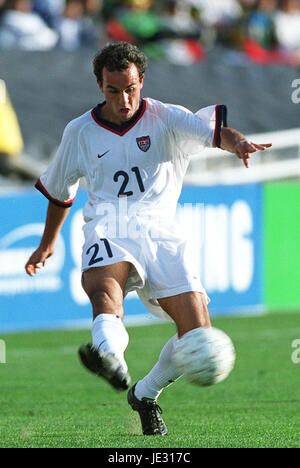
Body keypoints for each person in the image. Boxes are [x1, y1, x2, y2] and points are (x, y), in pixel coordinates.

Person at [25, 41, 272, 436]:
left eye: (130, 88)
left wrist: (237, 142)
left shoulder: (167, 117)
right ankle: (112, 361)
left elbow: (216, 133)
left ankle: (144, 394)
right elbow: (60, 190)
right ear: (99, 86)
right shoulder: (80, 132)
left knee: (197, 337)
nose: (123, 99)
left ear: (142, 81)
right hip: (108, 224)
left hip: (162, 231)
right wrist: (47, 242)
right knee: (104, 293)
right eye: (112, 90)